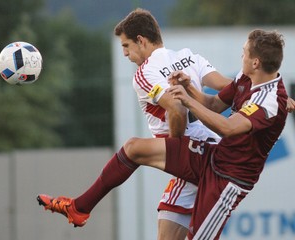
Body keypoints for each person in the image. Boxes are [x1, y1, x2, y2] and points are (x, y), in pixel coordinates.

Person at [37, 28, 290, 239]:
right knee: (135, 147)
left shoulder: (269, 100)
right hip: (212, 157)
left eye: (244, 53)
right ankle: (79, 208)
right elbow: (214, 105)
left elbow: (228, 128)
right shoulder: (246, 79)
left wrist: (189, 103)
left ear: (256, 62)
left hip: (228, 180)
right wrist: (189, 87)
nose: (241, 56)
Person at [112, 8, 232, 240]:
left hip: (195, 153)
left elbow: (177, 109)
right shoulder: (190, 56)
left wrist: (176, 152)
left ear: (141, 40)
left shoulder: (144, 73)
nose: (125, 54)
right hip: (214, 148)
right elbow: (227, 86)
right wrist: (263, 92)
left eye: (126, 46)